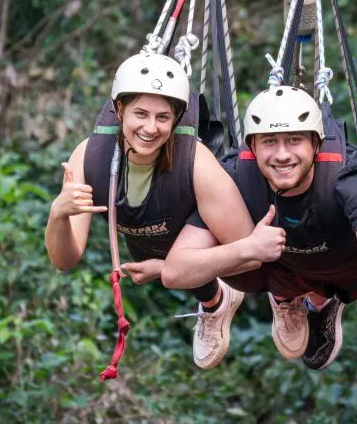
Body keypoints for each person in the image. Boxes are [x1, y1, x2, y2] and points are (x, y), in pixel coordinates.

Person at [44, 52, 281, 369]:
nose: (150, 128)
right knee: (157, 260)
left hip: (199, 223)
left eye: (163, 118)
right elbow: (65, 259)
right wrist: (58, 214)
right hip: (146, 234)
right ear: (119, 110)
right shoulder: (89, 158)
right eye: (140, 114)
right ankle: (214, 302)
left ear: (176, 119)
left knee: (192, 265)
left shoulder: (196, 163)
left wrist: (178, 266)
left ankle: (252, 296)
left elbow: (245, 254)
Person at [162, 86, 357, 370]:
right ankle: (291, 299)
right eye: (270, 141)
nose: (282, 155)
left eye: (294, 140)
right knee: (238, 262)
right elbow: (174, 271)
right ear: (253, 146)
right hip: (286, 269)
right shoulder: (235, 178)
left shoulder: (351, 175)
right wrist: (245, 249)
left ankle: (324, 302)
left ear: (316, 145)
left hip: (347, 264)